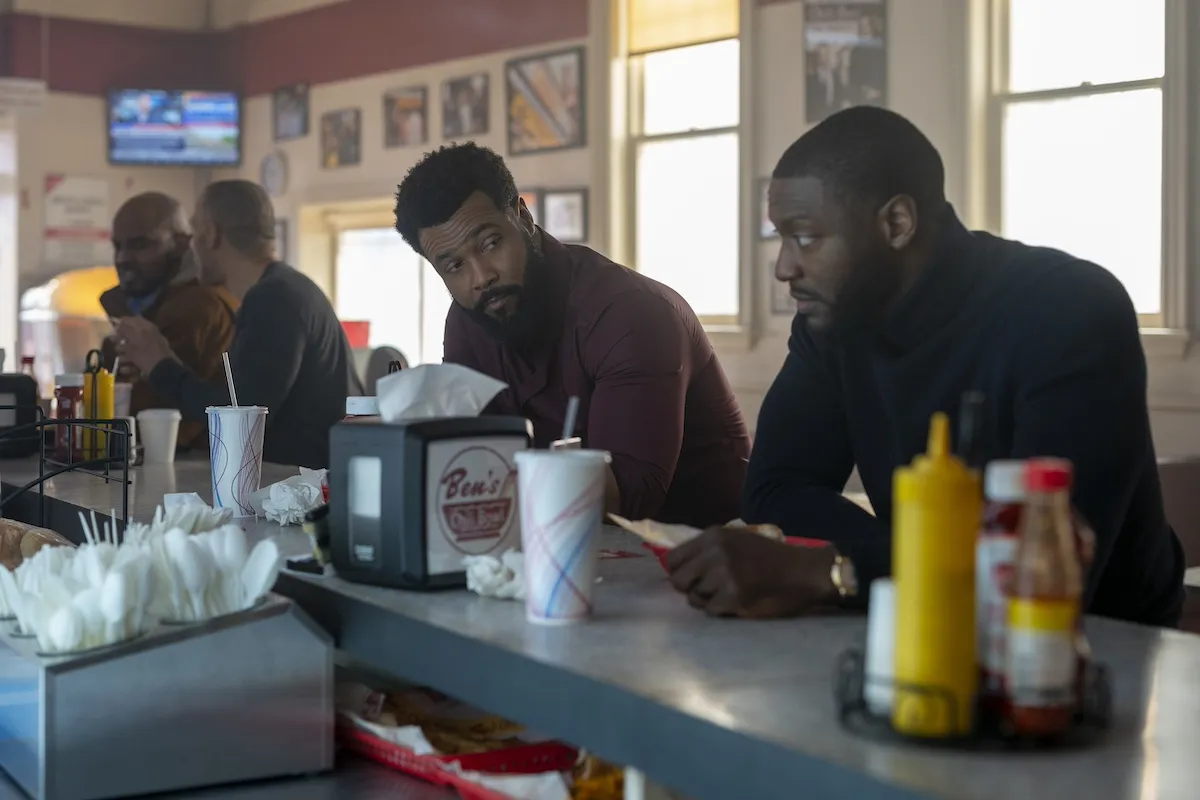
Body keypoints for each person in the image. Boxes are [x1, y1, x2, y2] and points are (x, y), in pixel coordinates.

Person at [668, 106, 1185, 626]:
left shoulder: (1070, 310)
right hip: (922, 619)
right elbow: (774, 493)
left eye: (805, 238)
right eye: (780, 237)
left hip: (1099, 647)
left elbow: (1041, 562)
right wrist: (909, 566)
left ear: (897, 223)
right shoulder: (837, 322)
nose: (784, 267)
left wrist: (833, 569)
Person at [393, 143, 751, 528]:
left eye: (490, 243)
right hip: (562, 538)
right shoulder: (468, 320)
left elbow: (632, 492)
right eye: (454, 265)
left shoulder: (629, 312)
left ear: (523, 217)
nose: (481, 277)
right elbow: (467, 446)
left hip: (702, 549)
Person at [115, 180, 363, 468]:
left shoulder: (274, 299)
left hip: (309, 495)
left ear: (211, 234)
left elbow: (238, 413)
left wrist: (158, 364)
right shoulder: (286, 289)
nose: (190, 249)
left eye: (194, 233)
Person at [100, 192, 238, 450]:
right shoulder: (138, 306)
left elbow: (165, 416)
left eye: (141, 245)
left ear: (182, 243)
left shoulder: (198, 308)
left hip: (195, 470)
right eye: (118, 246)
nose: (123, 259)